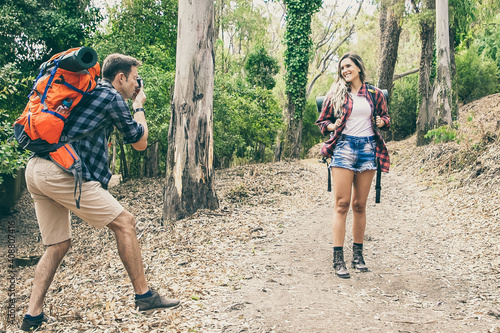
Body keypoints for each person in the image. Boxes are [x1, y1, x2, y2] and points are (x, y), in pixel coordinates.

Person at [21, 54, 180, 331]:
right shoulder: (110, 96)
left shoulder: (88, 89)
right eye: (134, 79)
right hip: (60, 171)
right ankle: (144, 297)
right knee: (125, 223)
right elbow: (140, 143)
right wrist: (138, 106)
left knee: (57, 244)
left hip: (36, 168)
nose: (135, 85)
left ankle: (32, 316)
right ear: (121, 77)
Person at [316, 52, 390, 279]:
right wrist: (331, 126)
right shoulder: (336, 94)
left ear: (358, 66)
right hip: (344, 149)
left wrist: (382, 121)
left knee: (359, 205)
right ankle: (338, 258)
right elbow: (322, 122)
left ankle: (358, 255)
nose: (345, 70)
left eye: (348, 66)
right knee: (342, 204)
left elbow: (386, 119)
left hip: (368, 150)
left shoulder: (375, 94)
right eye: (341, 68)